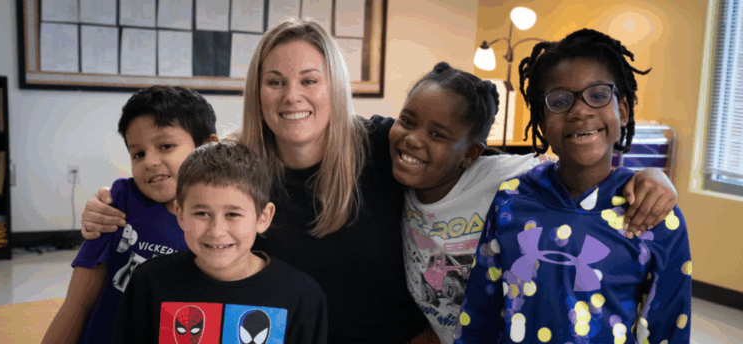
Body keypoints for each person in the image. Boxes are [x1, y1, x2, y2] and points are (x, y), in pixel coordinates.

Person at [78, 19, 678, 343]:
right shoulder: (238, 164)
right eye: (276, 81)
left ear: (334, 86)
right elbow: (170, 181)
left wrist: (643, 175)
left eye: (310, 79)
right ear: (256, 89)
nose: (293, 97)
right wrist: (112, 205)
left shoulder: (386, 144)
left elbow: (534, 164)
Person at [391, 62, 679, 343]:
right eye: (407, 121)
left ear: (471, 153)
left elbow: (575, 164)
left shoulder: (500, 174)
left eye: (438, 134)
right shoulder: (390, 172)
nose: (413, 139)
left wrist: (649, 175)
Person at [455, 29, 691, 343]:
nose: (580, 111)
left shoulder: (655, 213)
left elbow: (668, 329)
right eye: (560, 101)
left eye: (597, 95)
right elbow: (480, 310)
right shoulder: (511, 200)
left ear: (622, 111)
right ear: (541, 123)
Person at [41, 86, 219, 344]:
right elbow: (76, 305)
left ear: (206, 148)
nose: (149, 161)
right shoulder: (120, 202)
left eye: (166, 146)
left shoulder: (222, 224)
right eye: (138, 153)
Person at [112, 142, 328, 344]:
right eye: (202, 213)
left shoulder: (301, 296)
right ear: (180, 214)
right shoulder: (148, 282)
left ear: (263, 217)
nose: (216, 231)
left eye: (233, 214)